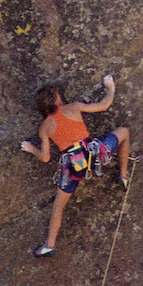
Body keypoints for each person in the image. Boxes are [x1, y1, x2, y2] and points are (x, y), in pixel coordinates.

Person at [21, 73, 131, 258]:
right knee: (124, 132)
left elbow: (45, 158)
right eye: (58, 96)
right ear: (57, 101)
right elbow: (104, 105)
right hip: (95, 153)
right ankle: (123, 175)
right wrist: (110, 88)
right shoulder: (73, 107)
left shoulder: (45, 127)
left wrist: (32, 149)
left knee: (58, 206)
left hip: (73, 166)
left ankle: (49, 245)